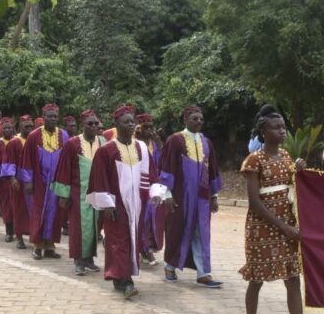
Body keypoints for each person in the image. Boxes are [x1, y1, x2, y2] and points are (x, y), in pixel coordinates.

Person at [240, 108, 323, 314]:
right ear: (264, 132)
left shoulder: (287, 155)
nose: (282, 131)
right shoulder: (254, 160)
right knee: (257, 278)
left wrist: (298, 171)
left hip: (287, 224)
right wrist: (284, 227)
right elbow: (255, 201)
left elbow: (292, 187)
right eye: (276, 128)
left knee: (292, 279)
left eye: (283, 127)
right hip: (263, 227)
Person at [87, 106, 166, 298]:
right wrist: (106, 204)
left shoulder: (141, 148)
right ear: (116, 124)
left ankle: (121, 277)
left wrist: (155, 193)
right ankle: (125, 279)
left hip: (137, 203)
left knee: (132, 239)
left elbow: (150, 174)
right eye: (126, 122)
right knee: (117, 240)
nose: (131, 125)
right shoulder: (106, 151)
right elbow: (99, 179)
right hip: (116, 203)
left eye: (133, 121)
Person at [160, 107, 223, 287]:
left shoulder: (206, 143)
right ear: (185, 119)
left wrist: (214, 195)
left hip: (202, 197)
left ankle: (204, 273)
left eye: (201, 119)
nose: (199, 122)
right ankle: (170, 266)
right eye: (195, 118)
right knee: (176, 229)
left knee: (201, 233)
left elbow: (212, 170)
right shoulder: (175, 141)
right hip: (180, 195)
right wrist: (167, 193)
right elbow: (167, 167)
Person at [53, 109, 106, 276]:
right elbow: (64, 169)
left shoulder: (103, 142)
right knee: (78, 227)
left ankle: (89, 259)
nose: (94, 126)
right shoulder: (72, 144)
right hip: (78, 192)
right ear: (83, 124)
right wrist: (64, 195)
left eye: (96, 123)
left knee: (95, 226)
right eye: (90, 123)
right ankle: (78, 260)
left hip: (98, 192)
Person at [19, 104, 68, 260]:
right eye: (49, 116)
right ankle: (37, 246)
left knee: (55, 213)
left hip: (57, 181)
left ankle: (50, 246)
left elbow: (67, 160)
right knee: (39, 212)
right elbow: (26, 159)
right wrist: (27, 181)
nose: (53, 119)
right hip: (39, 181)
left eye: (55, 116)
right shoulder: (34, 136)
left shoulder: (64, 135)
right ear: (43, 117)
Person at [135, 113, 164, 266]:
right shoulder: (135, 145)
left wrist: (159, 142)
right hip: (140, 187)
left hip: (155, 186)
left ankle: (148, 249)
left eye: (151, 127)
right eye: (146, 127)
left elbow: (165, 161)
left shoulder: (155, 145)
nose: (150, 130)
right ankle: (144, 250)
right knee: (143, 220)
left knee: (153, 221)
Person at [2, 115, 34, 249]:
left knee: (33, 210)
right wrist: (12, 179)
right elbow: (8, 162)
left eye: (31, 126)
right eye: (26, 126)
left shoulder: (35, 140)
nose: (29, 129)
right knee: (19, 210)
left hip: (33, 182)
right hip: (18, 183)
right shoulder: (14, 143)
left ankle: (34, 236)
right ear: (20, 127)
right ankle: (19, 237)